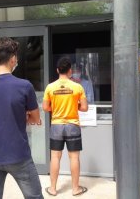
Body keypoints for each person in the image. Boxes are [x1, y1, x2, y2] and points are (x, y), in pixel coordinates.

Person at [0, 37, 43, 199]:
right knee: (35, 196)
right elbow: (35, 118)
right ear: (14, 59)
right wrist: (25, 115)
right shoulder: (24, 86)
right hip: (18, 155)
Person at [42, 57, 89, 197]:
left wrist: (56, 107)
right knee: (74, 157)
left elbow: (45, 108)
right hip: (72, 125)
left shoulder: (50, 87)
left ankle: (53, 189)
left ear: (57, 70)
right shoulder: (77, 87)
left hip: (56, 125)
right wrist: (75, 106)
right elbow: (85, 107)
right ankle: (75, 189)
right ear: (70, 71)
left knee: (55, 157)